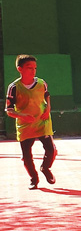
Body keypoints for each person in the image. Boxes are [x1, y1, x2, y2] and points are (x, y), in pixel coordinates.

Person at [5, 55, 57, 190]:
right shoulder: (14, 87)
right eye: (29, 68)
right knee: (27, 156)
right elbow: (9, 110)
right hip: (25, 125)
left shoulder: (41, 83)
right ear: (19, 69)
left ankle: (45, 168)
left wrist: (48, 109)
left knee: (51, 150)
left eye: (35, 68)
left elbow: (47, 96)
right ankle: (34, 178)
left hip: (42, 122)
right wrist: (22, 116)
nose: (33, 71)